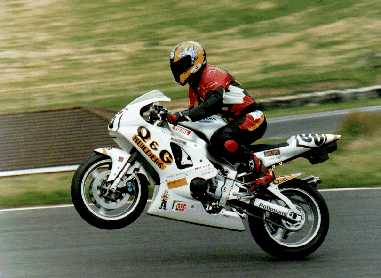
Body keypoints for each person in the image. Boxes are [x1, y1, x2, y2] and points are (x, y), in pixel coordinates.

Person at [167, 41, 274, 192]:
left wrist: (179, 115)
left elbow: (212, 104)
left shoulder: (212, 74)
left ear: (195, 61)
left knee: (221, 138)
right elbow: (194, 116)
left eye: (181, 64)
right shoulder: (194, 88)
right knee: (205, 141)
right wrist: (171, 120)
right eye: (176, 66)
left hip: (251, 117)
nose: (178, 69)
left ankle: (263, 169)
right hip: (233, 122)